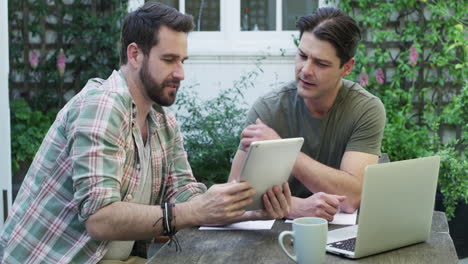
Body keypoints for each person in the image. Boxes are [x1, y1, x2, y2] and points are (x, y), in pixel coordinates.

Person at [0, 2, 290, 263]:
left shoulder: (162, 122)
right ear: (135, 54)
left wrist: (250, 211)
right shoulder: (103, 105)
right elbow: (100, 219)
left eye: (183, 61)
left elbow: (188, 198)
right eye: (169, 60)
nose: (181, 73)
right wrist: (195, 211)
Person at [229, 7, 386, 222]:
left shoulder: (365, 109)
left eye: (321, 63)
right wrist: (296, 207)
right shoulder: (268, 109)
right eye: (302, 56)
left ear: (347, 67)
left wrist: (281, 149)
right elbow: (232, 196)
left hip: (340, 233)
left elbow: (351, 198)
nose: (305, 70)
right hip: (270, 234)